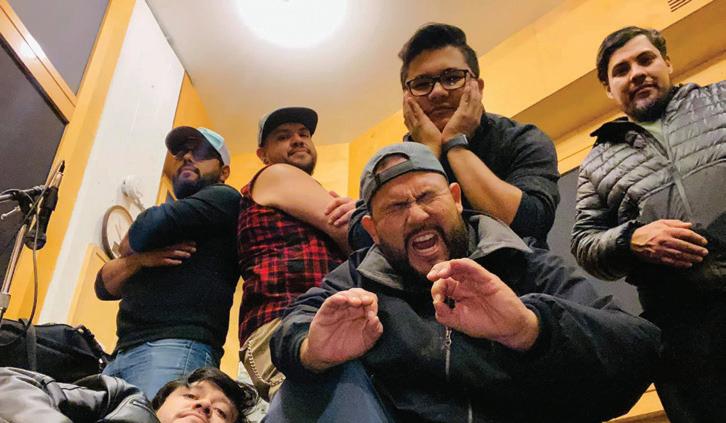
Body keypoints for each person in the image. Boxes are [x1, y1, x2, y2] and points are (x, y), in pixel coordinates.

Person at [268, 142, 661, 422]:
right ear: (371, 229)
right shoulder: (356, 277)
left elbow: (637, 347)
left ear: (455, 198)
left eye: (427, 196)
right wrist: (311, 350)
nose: (417, 215)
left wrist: (529, 328)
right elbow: (294, 322)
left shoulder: (524, 262)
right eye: (396, 207)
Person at [571, 26, 726, 422]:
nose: (636, 73)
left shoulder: (722, 100)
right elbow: (584, 243)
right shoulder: (596, 164)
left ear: (667, 63)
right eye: (621, 70)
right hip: (686, 335)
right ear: (609, 89)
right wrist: (631, 239)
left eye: (645, 60)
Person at [350, 23, 560, 250]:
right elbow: (362, 239)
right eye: (422, 84)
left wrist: (455, 144)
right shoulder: (390, 162)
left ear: (478, 87)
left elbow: (530, 224)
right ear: (406, 98)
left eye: (451, 78)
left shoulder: (522, 139)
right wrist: (426, 152)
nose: (437, 92)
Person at [95, 127, 241, 398]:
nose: (187, 157)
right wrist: (141, 260)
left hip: (177, 346)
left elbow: (143, 230)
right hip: (123, 350)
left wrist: (137, 243)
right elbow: (103, 286)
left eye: (201, 152)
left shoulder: (225, 198)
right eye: (182, 152)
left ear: (224, 172)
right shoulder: (175, 221)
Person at [237, 107, 354, 401]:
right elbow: (351, 232)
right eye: (283, 136)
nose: (298, 140)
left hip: (303, 320)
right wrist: (366, 216)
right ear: (263, 155)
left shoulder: (300, 192)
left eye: (304, 134)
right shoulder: (275, 174)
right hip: (287, 319)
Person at [0, 366, 258, 423]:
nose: (203, 405)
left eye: (221, 411)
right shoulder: (121, 401)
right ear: (158, 404)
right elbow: (13, 382)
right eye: (191, 396)